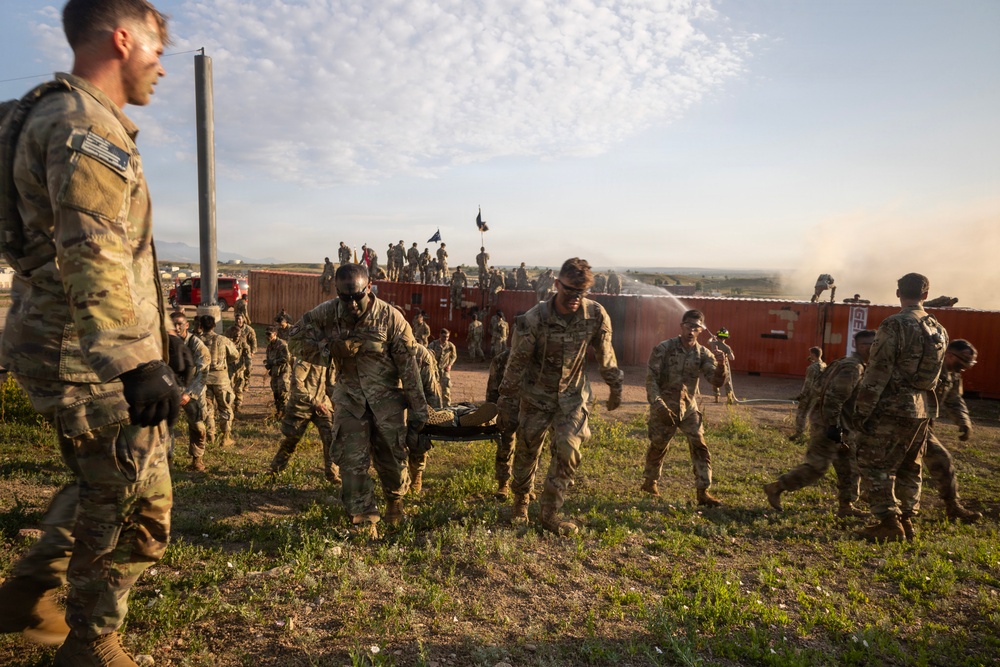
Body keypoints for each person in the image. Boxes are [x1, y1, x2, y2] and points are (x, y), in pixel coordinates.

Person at [0, 1, 178, 662]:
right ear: (123, 40)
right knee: (138, 502)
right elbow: (93, 246)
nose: (159, 68)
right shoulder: (83, 126)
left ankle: (27, 590)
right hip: (88, 353)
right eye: (155, 52)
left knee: (99, 482)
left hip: (57, 337)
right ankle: (92, 643)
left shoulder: (45, 111)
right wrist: (137, 361)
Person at [289, 263, 428, 538]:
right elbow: (293, 339)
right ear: (337, 291)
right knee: (352, 464)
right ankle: (364, 520)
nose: (352, 303)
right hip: (349, 400)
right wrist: (327, 350)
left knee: (392, 459)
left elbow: (409, 368)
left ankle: (394, 502)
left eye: (357, 295)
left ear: (369, 286)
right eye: (345, 297)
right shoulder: (327, 313)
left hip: (386, 404)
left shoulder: (391, 318)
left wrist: (419, 410)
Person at [498, 258, 624, 535]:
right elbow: (515, 364)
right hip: (535, 395)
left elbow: (606, 355)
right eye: (570, 291)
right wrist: (506, 402)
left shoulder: (596, 314)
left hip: (572, 397)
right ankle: (520, 502)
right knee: (527, 451)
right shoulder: (535, 319)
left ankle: (549, 513)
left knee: (568, 450)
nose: (576, 299)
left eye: (582, 292)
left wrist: (615, 385)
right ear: (557, 285)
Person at [853, 273, 947, 542]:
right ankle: (907, 519)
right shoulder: (939, 329)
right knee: (909, 464)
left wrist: (862, 409)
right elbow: (936, 374)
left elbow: (878, 370)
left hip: (892, 407)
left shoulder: (894, 324)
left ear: (898, 293)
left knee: (872, 462)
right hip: (922, 409)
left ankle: (888, 521)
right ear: (926, 295)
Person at [763, 331, 874, 518]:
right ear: (861, 346)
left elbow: (819, 387)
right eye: (871, 344)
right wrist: (833, 428)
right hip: (830, 426)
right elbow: (833, 399)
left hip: (842, 426)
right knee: (817, 467)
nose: (875, 348)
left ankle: (846, 506)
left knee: (850, 467)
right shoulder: (853, 368)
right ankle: (776, 487)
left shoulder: (847, 363)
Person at [640, 310, 727, 506]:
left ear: (701, 330)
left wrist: (721, 365)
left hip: (688, 408)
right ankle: (650, 482)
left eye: (696, 327)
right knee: (658, 445)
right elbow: (651, 378)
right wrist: (656, 403)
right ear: (681, 326)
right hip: (664, 406)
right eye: (688, 325)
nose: (691, 330)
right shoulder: (664, 348)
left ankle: (703, 492)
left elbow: (716, 380)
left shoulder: (704, 354)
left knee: (699, 445)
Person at [921, 339, 982, 524]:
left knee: (939, 461)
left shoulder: (953, 375)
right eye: (963, 361)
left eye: (969, 363)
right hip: (905, 422)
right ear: (949, 355)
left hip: (923, 426)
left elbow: (954, 400)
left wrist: (964, 422)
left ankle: (952, 507)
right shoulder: (927, 368)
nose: (965, 367)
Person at [268, 358, 341, 484]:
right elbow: (296, 385)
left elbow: (330, 384)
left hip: (322, 405)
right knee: (292, 439)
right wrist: (314, 401)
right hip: (301, 406)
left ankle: (332, 474)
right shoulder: (305, 358)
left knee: (331, 436)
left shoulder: (328, 359)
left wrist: (338, 405)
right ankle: (275, 469)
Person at [170, 311, 210, 472]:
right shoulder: (165, 343)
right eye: (173, 324)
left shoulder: (196, 344)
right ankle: (167, 459)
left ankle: (197, 458)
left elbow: (203, 372)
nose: (176, 327)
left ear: (187, 325)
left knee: (198, 426)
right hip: (170, 390)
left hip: (193, 390)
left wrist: (189, 393)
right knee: (165, 426)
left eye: (180, 323)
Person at [199, 315, 240, 449]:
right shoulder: (222, 340)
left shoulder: (197, 340)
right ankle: (225, 438)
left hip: (203, 380)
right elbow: (235, 355)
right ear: (214, 326)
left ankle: (211, 435)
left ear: (201, 326)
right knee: (225, 408)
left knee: (208, 408)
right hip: (221, 380)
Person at [407, 343, 443, 493]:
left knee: (418, 439)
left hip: (415, 405)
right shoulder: (376, 349)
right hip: (389, 406)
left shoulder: (419, 353)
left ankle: (416, 476)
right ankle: (398, 480)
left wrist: (434, 413)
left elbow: (431, 388)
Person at [487, 344, 516, 499]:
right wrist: (490, 413)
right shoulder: (501, 359)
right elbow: (492, 388)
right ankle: (503, 484)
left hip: (532, 410)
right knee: (506, 446)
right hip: (508, 409)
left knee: (530, 449)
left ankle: (526, 487)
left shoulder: (537, 358)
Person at [791, 347, 826, 441]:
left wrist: (801, 395)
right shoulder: (824, 365)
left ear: (813, 354)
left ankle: (799, 433)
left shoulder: (812, 368)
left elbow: (808, 383)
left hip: (809, 394)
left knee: (801, 413)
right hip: (818, 393)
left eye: (811, 354)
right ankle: (810, 433)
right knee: (812, 414)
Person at [225, 312, 257, 413]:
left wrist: (251, 354)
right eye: (236, 319)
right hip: (229, 367)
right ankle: (227, 406)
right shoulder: (228, 337)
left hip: (239, 367)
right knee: (228, 387)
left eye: (240, 319)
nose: (238, 321)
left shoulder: (248, 332)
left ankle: (237, 406)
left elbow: (253, 342)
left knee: (238, 388)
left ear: (243, 319)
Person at [263, 326, 291, 419]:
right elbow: (269, 358)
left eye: (269, 334)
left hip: (283, 372)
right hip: (274, 372)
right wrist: (268, 364)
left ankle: (285, 414)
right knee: (276, 393)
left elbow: (287, 358)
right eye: (266, 334)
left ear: (275, 334)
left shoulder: (282, 344)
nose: (267, 336)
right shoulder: (269, 346)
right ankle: (279, 412)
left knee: (283, 393)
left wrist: (273, 362)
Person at [428, 328, 458, 406]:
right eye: (444, 336)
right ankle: (435, 406)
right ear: (440, 335)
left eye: (447, 337)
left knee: (446, 390)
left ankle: (447, 407)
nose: (445, 339)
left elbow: (454, 356)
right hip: (435, 370)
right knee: (433, 389)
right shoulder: (433, 344)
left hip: (445, 370)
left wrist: (450, 364)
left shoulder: (450, 345)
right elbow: (428, 354)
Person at [707, 328, 737, 404]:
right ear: (726, 337)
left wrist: (712, 338)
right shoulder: (727, 347)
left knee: (715, 380)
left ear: (718, 336)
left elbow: (708, 342)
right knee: (727, 381)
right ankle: (729, 398)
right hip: (724, 365)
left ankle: (716, 398)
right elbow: (732, 358)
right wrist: (726, 354)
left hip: (714, 364)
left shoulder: (714, 343)